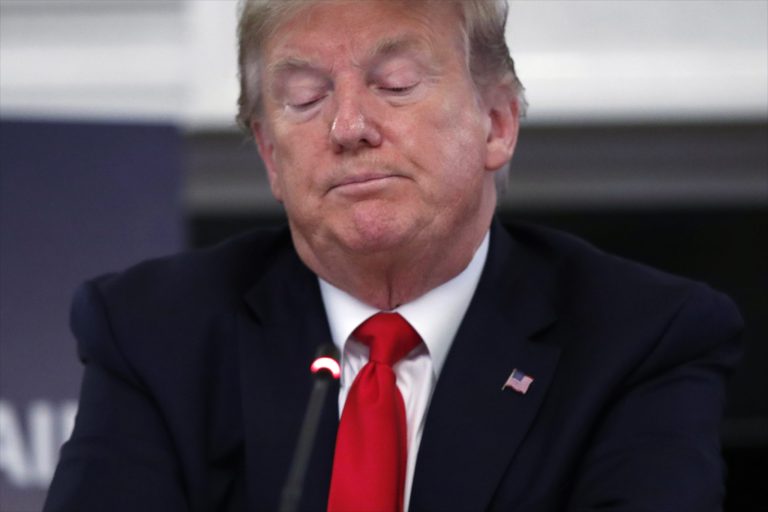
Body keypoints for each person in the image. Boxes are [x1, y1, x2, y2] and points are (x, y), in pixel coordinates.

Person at [44, 0, 743, 511]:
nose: (348, 126)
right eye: (305, 97)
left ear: (497, 123)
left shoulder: (641, 336)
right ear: (269, 157)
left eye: (397, 84)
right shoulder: (153, 330)